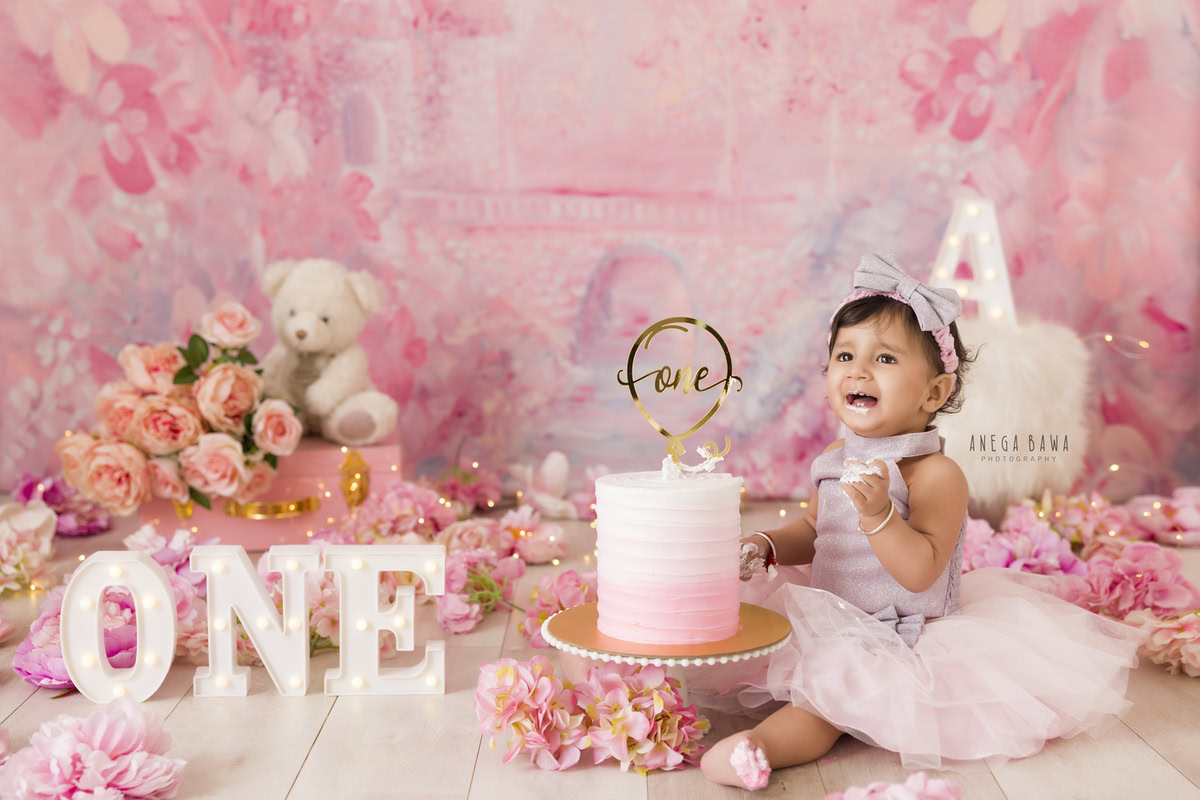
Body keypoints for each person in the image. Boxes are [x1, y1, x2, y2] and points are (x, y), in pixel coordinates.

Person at [695, 251, 1144, 791]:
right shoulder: (837, 456)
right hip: (832, 613)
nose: (858, 370)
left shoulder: (935, 474)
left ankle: (759, 748)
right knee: (790, 664)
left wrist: (881, 515)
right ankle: (773, 734)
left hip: (900, 631)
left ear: (934, 392)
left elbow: (920, 573)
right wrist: (768, 543)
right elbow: (816, 532)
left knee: (822, 706)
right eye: (845, 355)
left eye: (885, 359)